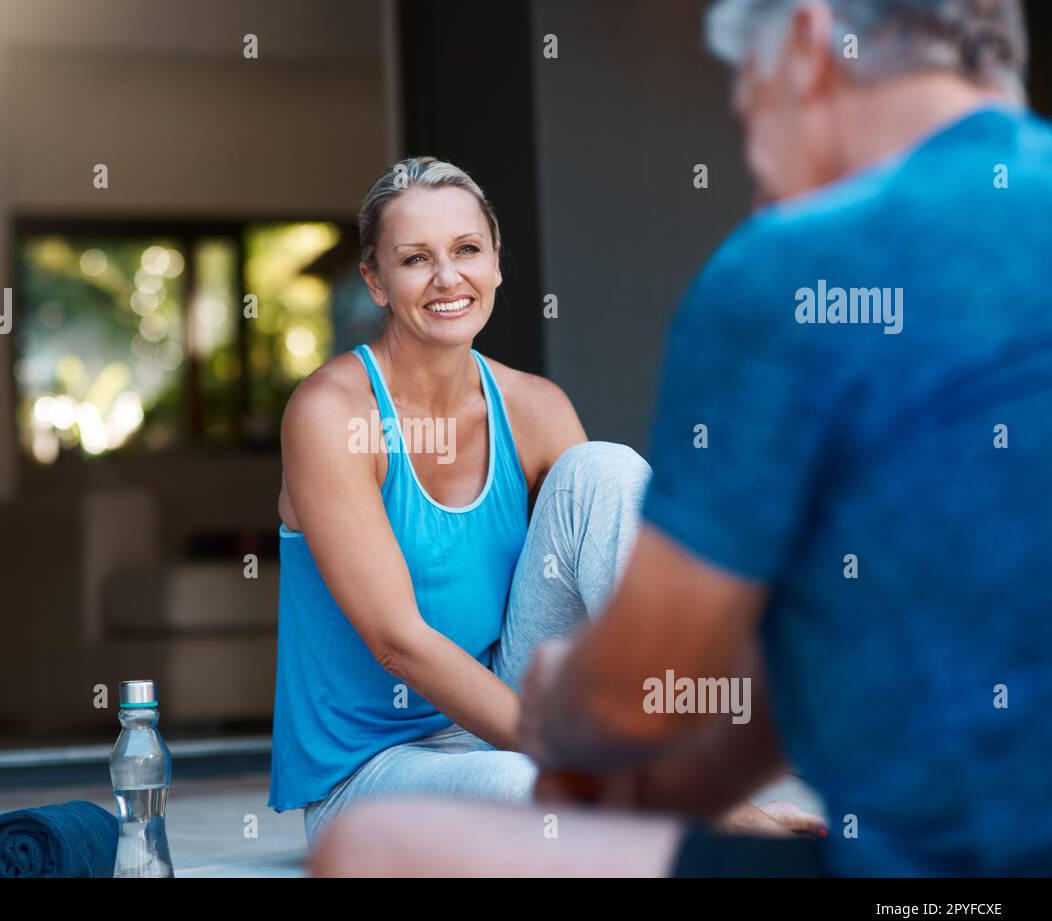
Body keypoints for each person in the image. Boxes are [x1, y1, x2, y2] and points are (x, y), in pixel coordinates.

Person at [310, 0, 1052, 876]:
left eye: (746, 101)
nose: (752, 154)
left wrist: (579, 711)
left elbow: (665, 680)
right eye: (414, 258)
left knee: (376, 849)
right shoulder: (332, 410)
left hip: (933, 894)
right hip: (404, 748)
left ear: (810, 45)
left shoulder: (788, 271)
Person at [271, 157, 820, 847]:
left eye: (467, 250)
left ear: (497, 263)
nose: (447, 278)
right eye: (415, 259)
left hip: (502, 718)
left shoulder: (532, 406)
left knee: (606, 470)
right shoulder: (330, 413)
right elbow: (398, 642)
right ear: (375, 281)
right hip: (370, 774)